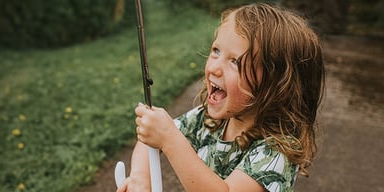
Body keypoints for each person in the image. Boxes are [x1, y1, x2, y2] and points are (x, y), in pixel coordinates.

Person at [117, 3, 325, 192]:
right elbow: (151, 138)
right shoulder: (209, 120)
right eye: (216, 50)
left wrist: (170, 140)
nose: (214, 67)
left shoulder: (278, 151)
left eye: (235, 61)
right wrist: (140, 179)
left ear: (276, 85)